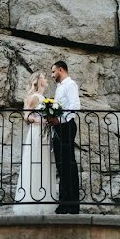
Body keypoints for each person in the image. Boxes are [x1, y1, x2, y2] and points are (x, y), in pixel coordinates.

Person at [12, 71, 58, 215]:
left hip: (44, 134)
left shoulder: (44, 98)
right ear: (38, 81)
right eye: (44, 77)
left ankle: (45, 201)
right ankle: (32, 203)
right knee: (35, 163)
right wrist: (43, 121)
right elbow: (27, 116)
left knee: (45, 164)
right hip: (37, 134)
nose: (46, 79)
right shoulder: (34, 97)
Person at [49, 60, 81, 214]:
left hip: (66, 127)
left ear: (60, 70)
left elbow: (75, 105)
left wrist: (59, 120)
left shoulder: (70, 84)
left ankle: (72, 205)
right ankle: (64, 202)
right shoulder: (59, 87)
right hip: (59, 127)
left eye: (53, 72)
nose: (52, 75)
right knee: (62, 166)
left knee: (69, 165)